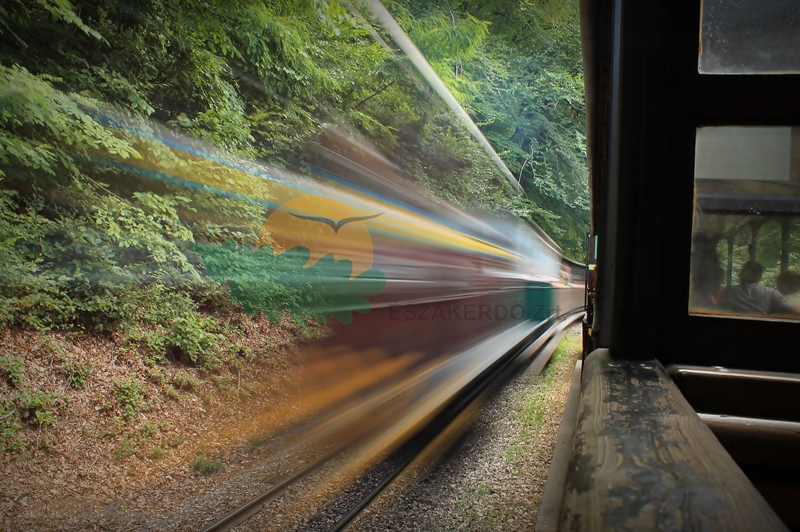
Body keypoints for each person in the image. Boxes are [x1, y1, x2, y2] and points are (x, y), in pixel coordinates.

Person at [717, 261, 800, 317]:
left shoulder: (729, 291)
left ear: (741, 274)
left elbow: (718, 310)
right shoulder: (770, 292)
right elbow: (794, 311)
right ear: (759, 276)